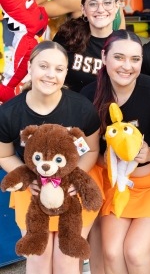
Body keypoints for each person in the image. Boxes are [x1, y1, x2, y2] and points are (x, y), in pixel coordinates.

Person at [80, 30, 150, 274]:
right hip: (118, 186)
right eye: (119, 58)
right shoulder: (88, 96)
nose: (127, 66)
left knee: (135, 253)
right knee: (112, 253)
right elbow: (85, 150)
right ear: (104, 58)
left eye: (135, 59)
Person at [0, 41, 101, 274]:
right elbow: (4, 154)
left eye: (58, 68)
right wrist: (29, 180)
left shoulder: (81, 109)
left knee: (65, 259)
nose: (50, 75)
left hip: (76, 182)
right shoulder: (9, 113)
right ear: (30, 67)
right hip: (34, 186)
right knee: (38, 256)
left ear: (66, 73)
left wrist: (74, 179)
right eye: (43, 66)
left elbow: (92, 151)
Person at [53, 0, 119, 92]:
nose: (100, 10)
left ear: (117, 6)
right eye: (93, 4)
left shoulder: (122, 45)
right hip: (68, 107)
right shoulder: (67, 36)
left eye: (107, 3)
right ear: (83, 9)